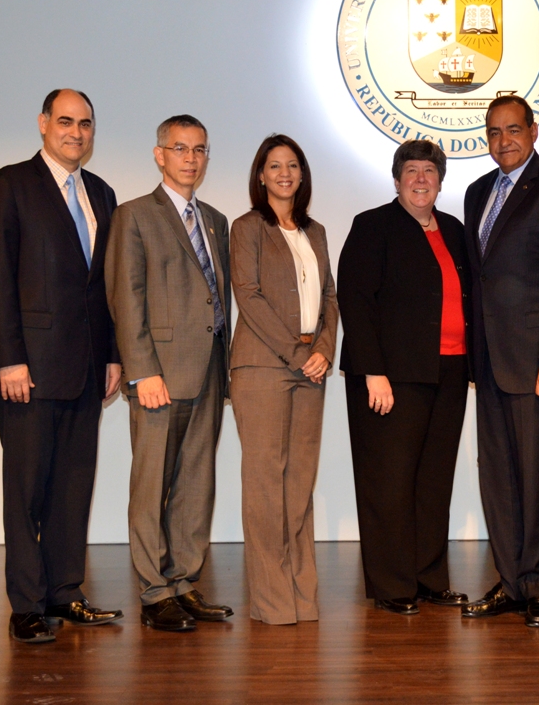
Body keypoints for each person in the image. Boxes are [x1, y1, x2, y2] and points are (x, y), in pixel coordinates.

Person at [0, 88, 123, 643]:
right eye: (65, 121)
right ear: (42, 124)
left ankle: (66, 593)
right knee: (27, 490)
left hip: (87, 370)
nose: (76, 132)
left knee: (72, 488)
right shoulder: (9, 186)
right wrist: (7, 359)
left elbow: (105, 288)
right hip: (29, 372)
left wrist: (113, 355)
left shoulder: (102, 194)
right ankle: (27, 606)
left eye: (85, 123)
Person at [460, 95, 539, 628]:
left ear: (533, 132)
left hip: (538, 363)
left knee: (535, 476)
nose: (503, 140)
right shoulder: (476, 193)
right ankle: (510, 581)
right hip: (489, 361)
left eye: (513, 130)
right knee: (498, 476)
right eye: (494, 132)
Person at [105, 115, 233, 632]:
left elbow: (216, 298)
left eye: (199, 149)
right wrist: (141, 372)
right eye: (180, 148)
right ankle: (155, 591)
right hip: (158, 376)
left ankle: (183, 581)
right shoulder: (133, 216)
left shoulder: (217, 221)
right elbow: (126, 296)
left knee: (195, 485)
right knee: (151, 483)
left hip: (208, 374)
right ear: (159, 154)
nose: (190, 158)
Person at [338, 139, 471, 615]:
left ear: (440, 180)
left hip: (450, 371)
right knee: (389, 483)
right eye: (411, 171)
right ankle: (393, 585)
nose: (421, 179)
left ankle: (429, 577)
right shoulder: (373, 226)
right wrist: (374, 371)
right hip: (391, 378)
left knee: (433, 482)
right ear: (397, 180)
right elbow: (355, 300)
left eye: (429, 171)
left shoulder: (454, 230)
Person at [228, 134, 338, 625]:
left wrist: (323, 349)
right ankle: (272, 601)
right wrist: (297, 352)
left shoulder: (315, 231)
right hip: (263, 366)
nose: (285, 173)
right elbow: (248, 298)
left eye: (292, 165)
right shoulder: (247, 227)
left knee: (299, 483)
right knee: (266, 484)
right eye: (274, 166)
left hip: (309, 365)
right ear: (260, 175)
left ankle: (302, 594)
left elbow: (330, 298)